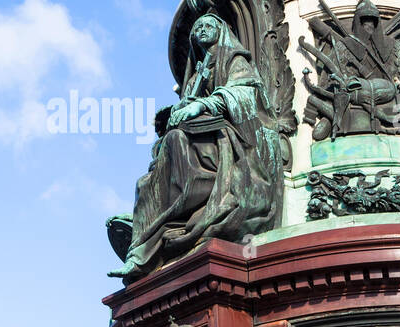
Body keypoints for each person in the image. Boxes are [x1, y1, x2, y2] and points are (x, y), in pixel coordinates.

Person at [111, 14, 283, 279]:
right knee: (151, 174)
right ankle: (142, 244)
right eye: (197, 28)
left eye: (207, 26)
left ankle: (165, 224)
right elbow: (186, 103)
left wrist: (203, 105)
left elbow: (243, 92)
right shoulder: (197, 72)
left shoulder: (234, 60)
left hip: (227, 134)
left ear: (221, 30)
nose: (201, 30)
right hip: (201, 134)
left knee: (177, 142)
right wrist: (181, 107)